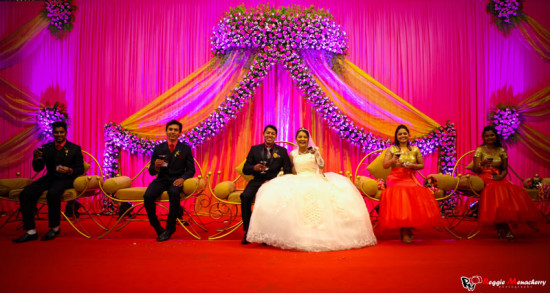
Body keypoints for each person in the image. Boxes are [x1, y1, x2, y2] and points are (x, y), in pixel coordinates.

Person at [246, 128, 377, 251]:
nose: (302, 139)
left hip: (314, 178)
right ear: (296, 139)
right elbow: (291, 169)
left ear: (308, 139)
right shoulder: (292, 154)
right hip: (299, 178)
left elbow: (321, 165)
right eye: (300, 137)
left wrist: (317, 155)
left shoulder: (314, 151)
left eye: (304, 137)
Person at [13, 121, 84, 243]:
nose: (59, 134)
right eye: (56, 132)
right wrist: (36, 158)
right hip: (50, 177)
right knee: (26, 193)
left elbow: (80, 169)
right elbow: (38, 168)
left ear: (66, 133)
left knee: (53, 193)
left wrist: (69, 170)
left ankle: (55, 228)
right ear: (53, 133)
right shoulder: (47, 148)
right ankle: (31, 231)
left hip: (66, 179)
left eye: (61, 132)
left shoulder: (75, 149)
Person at [473, 125, 543, 241]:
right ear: (483, 138)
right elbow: (476, 169)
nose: (489, 137)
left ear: (496, 136)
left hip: (498, 177)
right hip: (484, 176)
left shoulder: (501, 150)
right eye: (487, 136)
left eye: (492, 135)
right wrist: (482, 163)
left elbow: (505, 169)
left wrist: (501, 176)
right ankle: (505, 227)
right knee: (494, 189)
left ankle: (502, 227)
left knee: (515, 190)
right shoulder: (479, 150)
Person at [378, 124, 441, 244]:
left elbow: (421, 165)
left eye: (404, 133)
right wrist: (393, 160)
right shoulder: (392, 149)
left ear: (408, 135)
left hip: (409, 177)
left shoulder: (415, 149)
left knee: (416, 191)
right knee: (403, 191)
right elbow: (385, 165)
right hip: (395, 178)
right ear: (397, 136)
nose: (402, 136)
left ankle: (408, 227)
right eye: (400, 134)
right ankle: (405, 230)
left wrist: (413, 166)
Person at [143, 120, 195, 241]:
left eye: (175, 130)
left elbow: (191, 170)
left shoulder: (185, 148)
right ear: (166, 131)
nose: (172, 132)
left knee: (174, 193)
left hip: (176, 180)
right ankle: (156, 226)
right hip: (161, 179)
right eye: (170, 129)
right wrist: (155, 166)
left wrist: (183, 178)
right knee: (148, 196)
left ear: (179, 133)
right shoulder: (159, 148)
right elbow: (152, 171)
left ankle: (170, 228)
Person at [240, 125, 292, 245]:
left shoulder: (282, 151)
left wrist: (276, 180)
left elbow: (288, 171)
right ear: (263, 134)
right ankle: (248, 231)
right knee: (245, 196)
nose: (270, 135)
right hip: (257, 180)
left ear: (275, 136)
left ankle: (268, 234)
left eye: (273, 133)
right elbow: (245, 169)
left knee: (270, 200)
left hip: (273, 183)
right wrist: (254, 167)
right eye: (268, 133)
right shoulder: (254, 149)